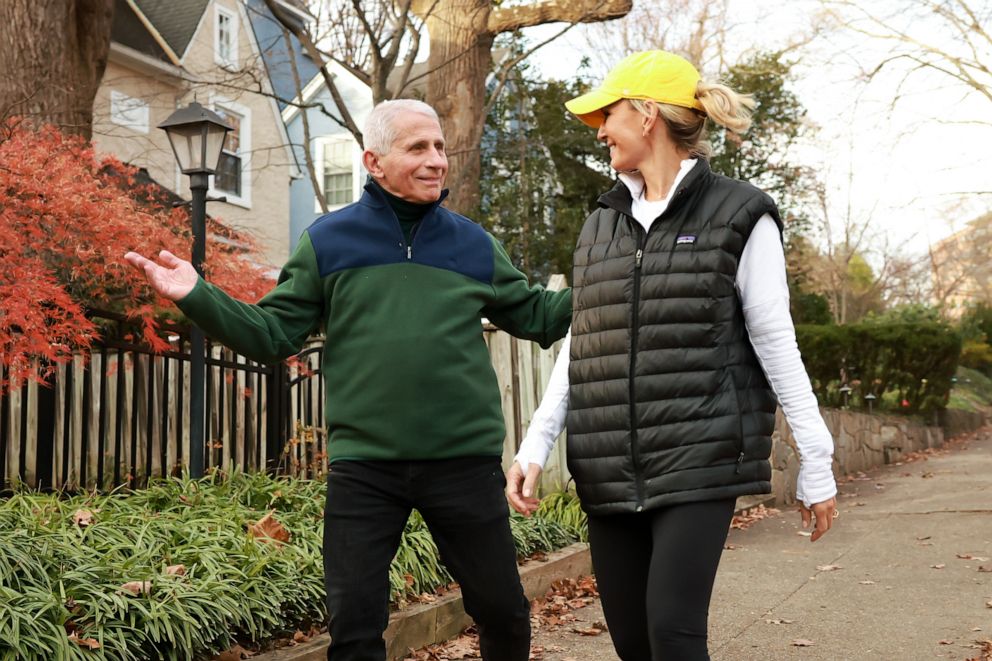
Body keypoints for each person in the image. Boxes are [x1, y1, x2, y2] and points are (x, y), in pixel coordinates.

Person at [125, 99, 571, 661]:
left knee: (503, 611)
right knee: (356, 628)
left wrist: (621, 276)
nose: (436, 160)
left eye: (439, 146)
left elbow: (540, 316)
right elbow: (272, 333)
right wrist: (197, 295)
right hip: (365, 468)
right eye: (417, 148)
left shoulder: (473, 245)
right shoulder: (328, 242)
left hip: (462, 463)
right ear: (374, 161)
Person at [505, 51, 838, 661]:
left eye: (608, 115)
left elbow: (773, 337)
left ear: (647, 114)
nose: (600, 130)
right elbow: (585, 343)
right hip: (607, 461)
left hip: (697, 453)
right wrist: (535, 445)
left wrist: (817, 458)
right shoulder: (600, 225)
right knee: (634, 643)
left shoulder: (739, 213)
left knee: (673, 633)